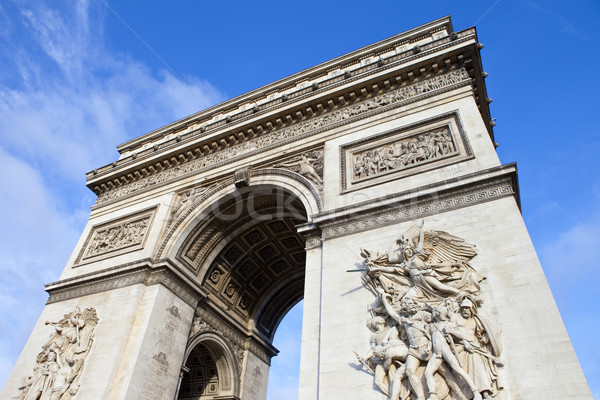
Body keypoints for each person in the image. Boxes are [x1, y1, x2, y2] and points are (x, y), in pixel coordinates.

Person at [454, 298, 503, 399]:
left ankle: (484, 392)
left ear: (472, 310)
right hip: (459, 347)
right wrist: (464, 343)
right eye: (463, 308)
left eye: (467, 308)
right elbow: (449, 331)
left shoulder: (475, 320)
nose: (465, 310)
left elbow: (486, 333)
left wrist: (487, 337)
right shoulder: (455, 318)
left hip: (474, 348)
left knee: (478, 366)